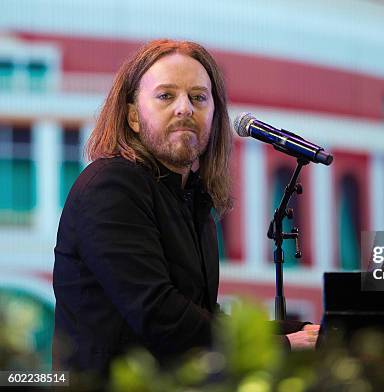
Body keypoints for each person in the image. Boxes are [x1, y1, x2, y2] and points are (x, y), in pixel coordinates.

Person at [52, 39, 319, 378]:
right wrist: (283, 346)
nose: (185, 109)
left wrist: (303, 331)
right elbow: (161, 315)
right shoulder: (112, 186)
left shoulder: (192, 198)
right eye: (166, 96)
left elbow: (201, 316)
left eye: (198, 97)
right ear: (133, 115)